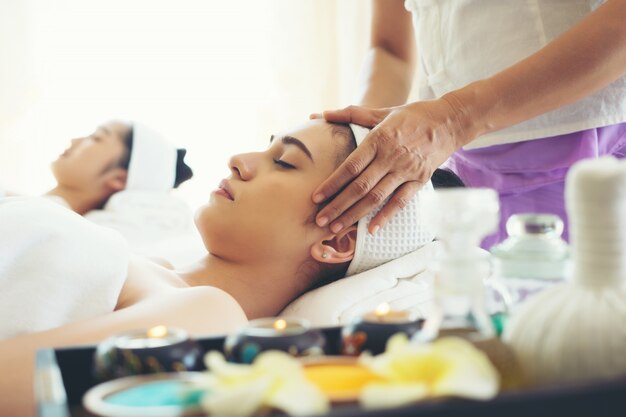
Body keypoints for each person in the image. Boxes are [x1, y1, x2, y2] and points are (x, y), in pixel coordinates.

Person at [0, 119, 462, 416]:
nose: (239, 161)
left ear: (337, 241)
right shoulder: (155, 267)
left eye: (284, 162)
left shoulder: (209, 315)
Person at [311, 0, 626, 249]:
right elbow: (389, 49)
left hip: (585, 149)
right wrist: (357, 143)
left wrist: (455, 118)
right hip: (461, 165)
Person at [4, 120, 194, 214]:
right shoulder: (21, 205)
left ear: (119, 179)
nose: (75, 140)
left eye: (96, 138)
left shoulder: (44, 220)